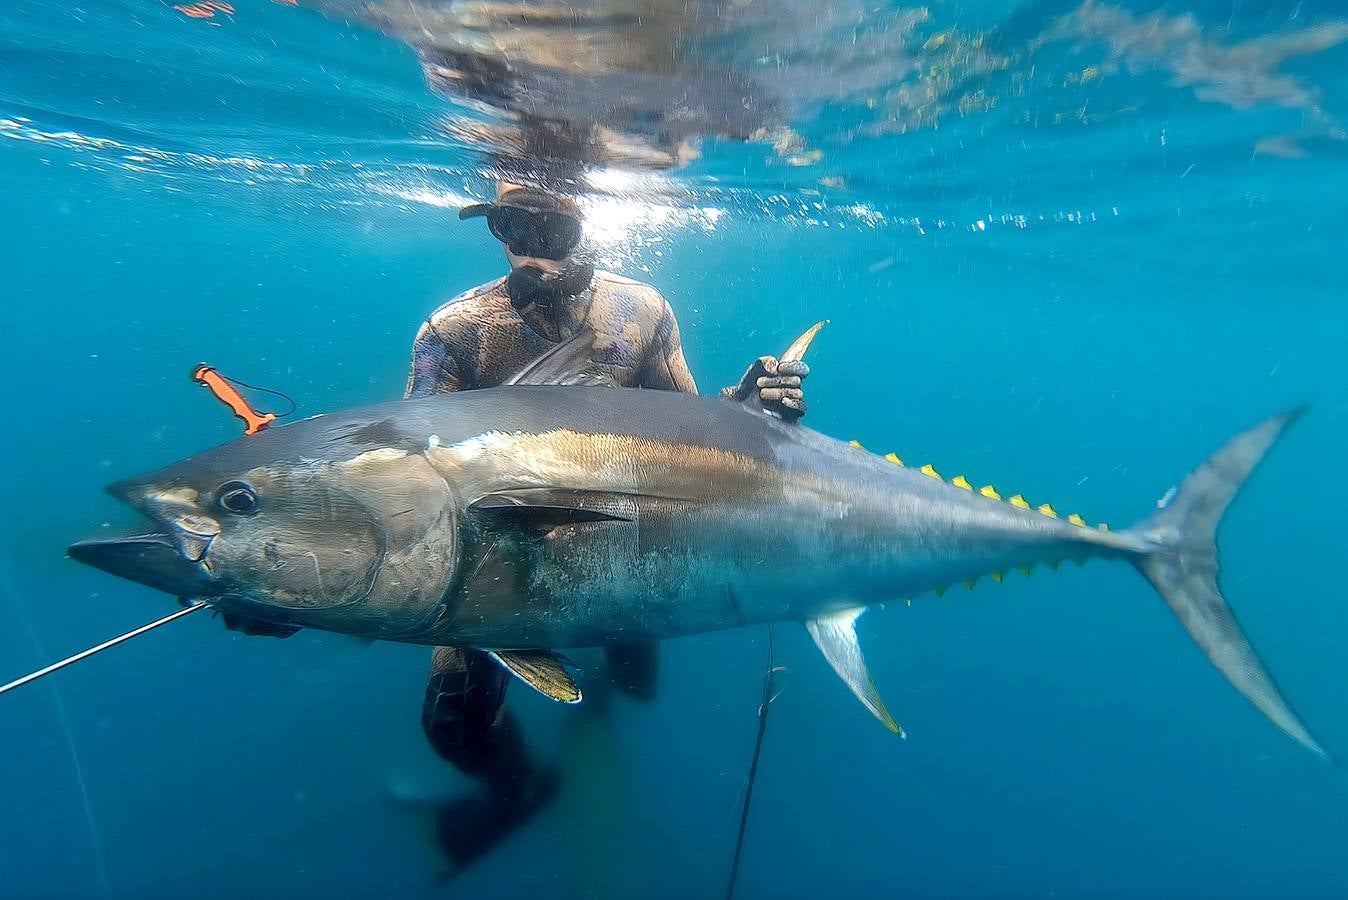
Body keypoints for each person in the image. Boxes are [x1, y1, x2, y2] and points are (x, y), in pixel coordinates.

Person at [406, 183, 809, 872]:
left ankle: (581, 697)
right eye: (510, 228)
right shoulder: (454, 332)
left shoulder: (640, 310)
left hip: (622, 545)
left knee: (636, 686)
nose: (529, 255)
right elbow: (411, 476)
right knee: (451, 726)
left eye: (550, 233)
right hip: (496, 564)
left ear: (585, 227)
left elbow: (688, 430)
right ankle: (523, 788)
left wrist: (747, 410)